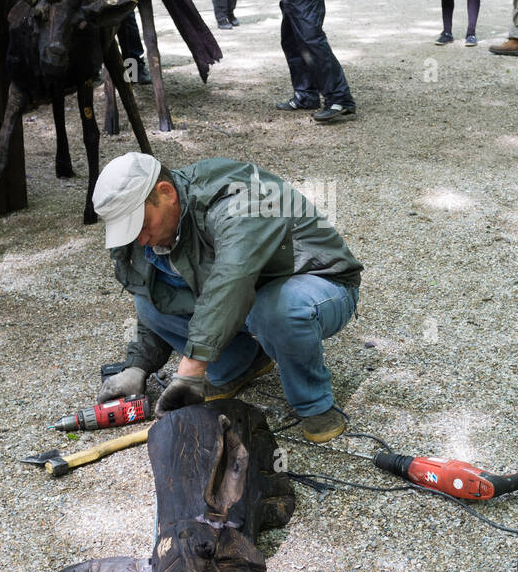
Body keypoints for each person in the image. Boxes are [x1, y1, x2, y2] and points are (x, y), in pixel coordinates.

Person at [93, 152, 362, 443]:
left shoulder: (238, 199)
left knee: (277, 310)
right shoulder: (154, 228)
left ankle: (315, 404)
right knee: (147, 305)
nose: (141, 239)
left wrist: (190, 369)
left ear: (166, 193)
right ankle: (242, 365)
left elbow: (233, 278)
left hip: (319, 283)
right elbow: (158, 295)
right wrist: (137, 366)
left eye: (142, 225)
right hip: (252, 296)